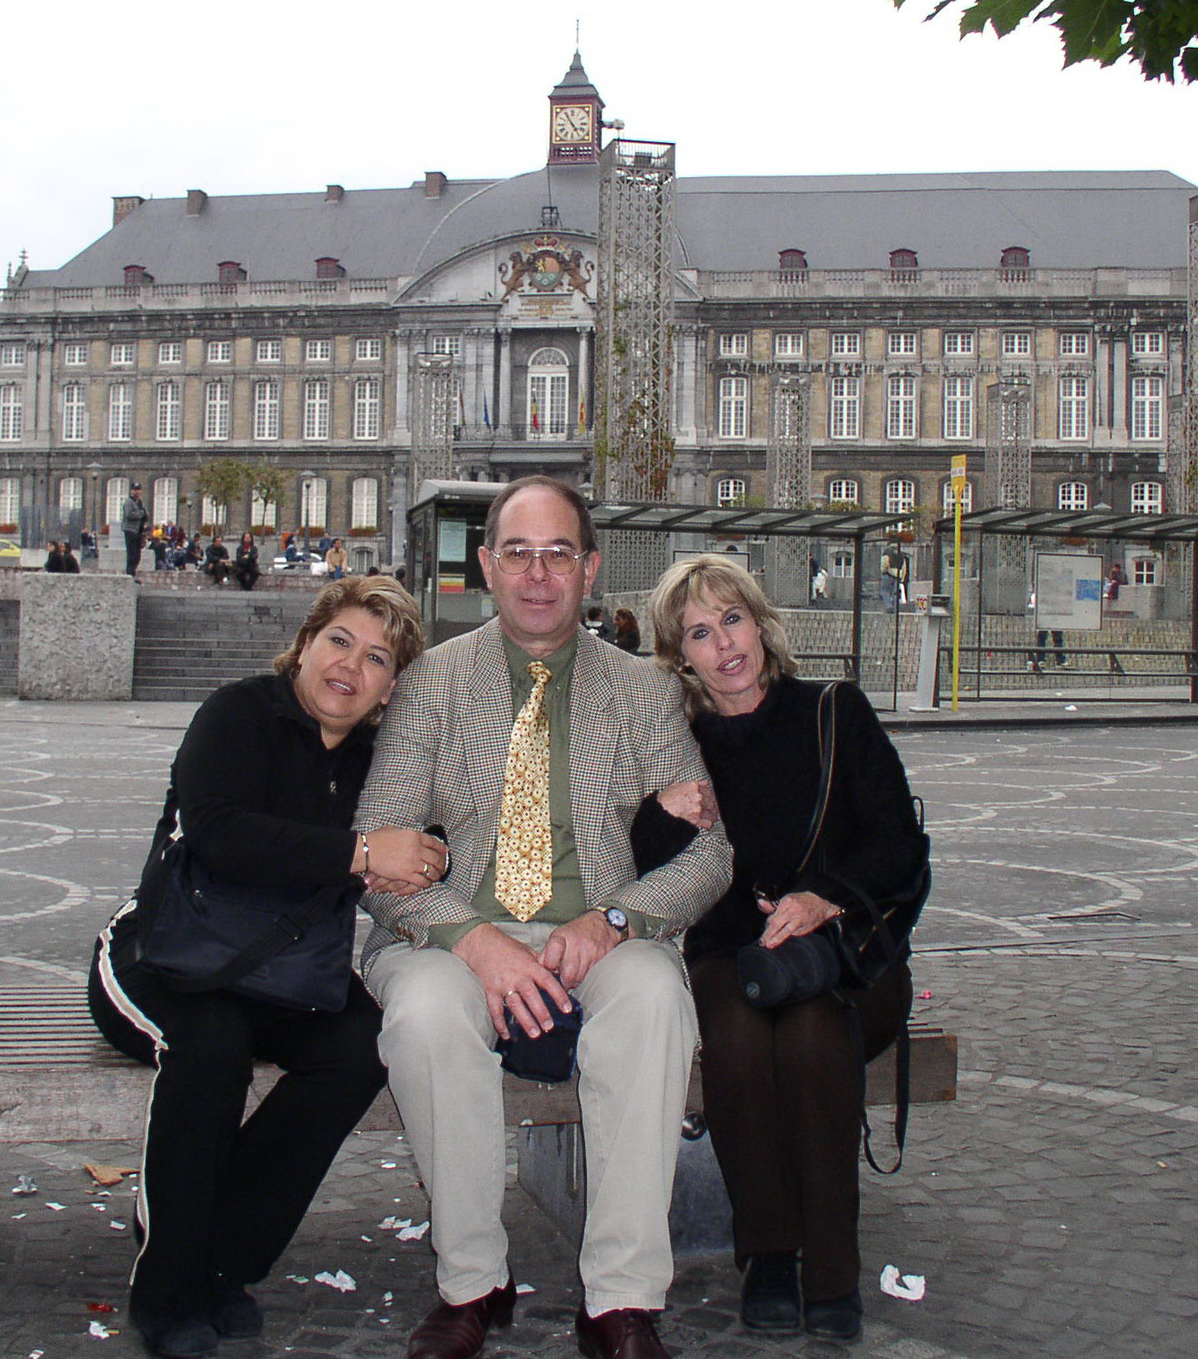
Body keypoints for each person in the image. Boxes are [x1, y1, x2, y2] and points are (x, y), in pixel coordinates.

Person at [355, 475, 732, 1359]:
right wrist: (477, 943)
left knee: (653, 1004)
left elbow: (711, 855)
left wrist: (612, 920)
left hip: (598, 931)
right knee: (424, 1017)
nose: (536, 575)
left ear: (589, 568)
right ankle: (473, 1285)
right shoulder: (431, 684)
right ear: (487, 564)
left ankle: (620, 1303)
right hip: (449, 929)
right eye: (517, 553)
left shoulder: (644, 691)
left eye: (557, 553)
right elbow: (378, 849)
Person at [89, 577, 438, 1358]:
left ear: (389, 689)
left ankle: (222, 1258)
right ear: (307, 642)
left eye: (377, 658)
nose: (350, 665)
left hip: (280, 970)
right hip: (163, 957)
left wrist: (427, 852)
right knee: (209, 1047)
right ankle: (169, 1289)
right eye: (340, 641)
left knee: (360, 1048)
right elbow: (221, 834)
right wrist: (356, 853)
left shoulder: (379, 761)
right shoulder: (237, 714)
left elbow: (418, 835)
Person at [647, 554, 925, 1340]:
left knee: (809, 1037)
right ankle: (769, 1252)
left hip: (843, 961)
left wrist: (822, 896)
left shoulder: (835, 712)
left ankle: (832, 1271)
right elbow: (636, 863)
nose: (724, 645)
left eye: (732, 619)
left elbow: (900, 847)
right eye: (700, 633)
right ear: (681, 656)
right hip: (732, 955)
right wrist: (670, 810)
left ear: (761, 623)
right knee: (735, 1038)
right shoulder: (679, 742)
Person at [122, 483, 151, 580]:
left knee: (137, 555)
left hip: (139, 531)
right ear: (131, 491)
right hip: (130, 530)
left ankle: (133, 573)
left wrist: (145, 515)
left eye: (138, 489)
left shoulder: (140, 502)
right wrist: (141, 513)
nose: (137, 492)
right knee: (132, 553)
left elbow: (146, 514)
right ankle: (129, 574)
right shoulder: (128, 502)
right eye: (135, 489)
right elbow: (129, 515)